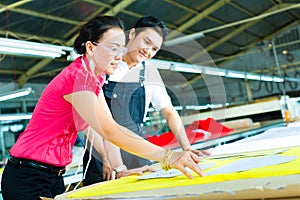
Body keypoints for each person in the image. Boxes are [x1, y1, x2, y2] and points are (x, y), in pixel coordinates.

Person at [1, 15, 203, 200]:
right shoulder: (77, 78)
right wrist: (167, 156)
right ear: (90, 47)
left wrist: (120, 168)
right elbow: (110, 130)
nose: (119, 55)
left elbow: (100, 128)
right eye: (113, 48)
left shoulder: (94, 78)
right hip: (28, 176)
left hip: (53, 175)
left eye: (121, 48)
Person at [82, 16, 209, 186]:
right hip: (102, 148)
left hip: (137, 147)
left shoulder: (149, 72)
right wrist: (106, 158)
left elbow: (169, 112)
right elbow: (92, 120)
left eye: (154, 48)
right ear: (133, 34)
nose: (148, 51)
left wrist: (186, 147)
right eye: (146, 42)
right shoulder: (105, 65)